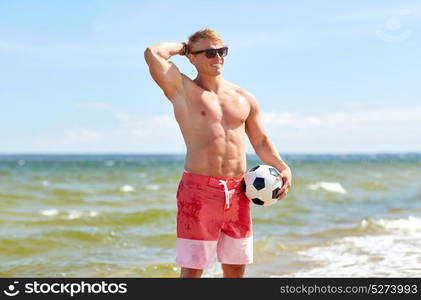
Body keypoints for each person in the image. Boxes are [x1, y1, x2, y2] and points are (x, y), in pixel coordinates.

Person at [144, 28, 292, 278]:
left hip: (238, 191)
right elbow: (153, 53)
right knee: (193, 269)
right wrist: (183, 47)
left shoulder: (243, 97)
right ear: (192, 57)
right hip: (199, 190)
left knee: (235, 267)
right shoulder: (183, 89)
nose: (218, 57)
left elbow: (260, 139)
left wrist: (283, 167)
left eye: (222, 51)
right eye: (210, 53)